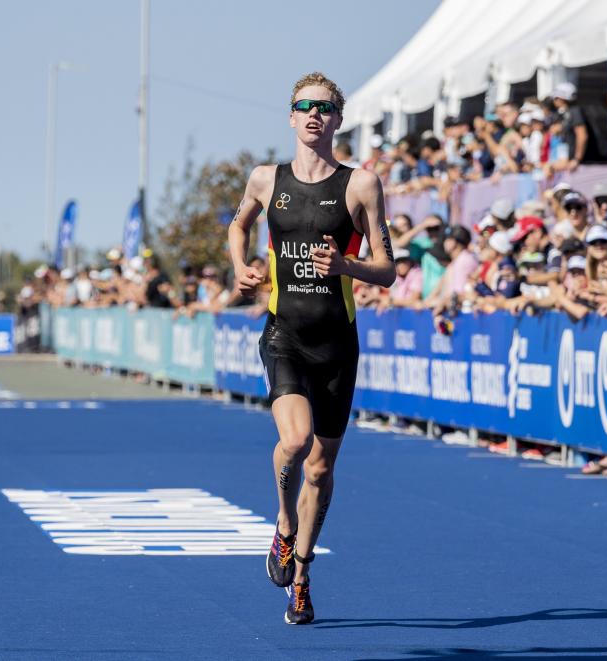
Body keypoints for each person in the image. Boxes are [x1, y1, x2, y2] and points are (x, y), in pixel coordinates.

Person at [226, 72, 395, 625]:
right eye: (304, 106)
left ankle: (300, 576)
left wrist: (347, 265)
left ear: (338, 119)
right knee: (294, 442)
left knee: (320, 471)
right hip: (284, 334)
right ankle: (281, 522)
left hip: (336, 343)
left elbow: (387, 268)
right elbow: (238, 227)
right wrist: (241, 267)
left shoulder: (360, 185)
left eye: (324, 107)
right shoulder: (264, 178)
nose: (314, 115)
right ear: (291, 117)